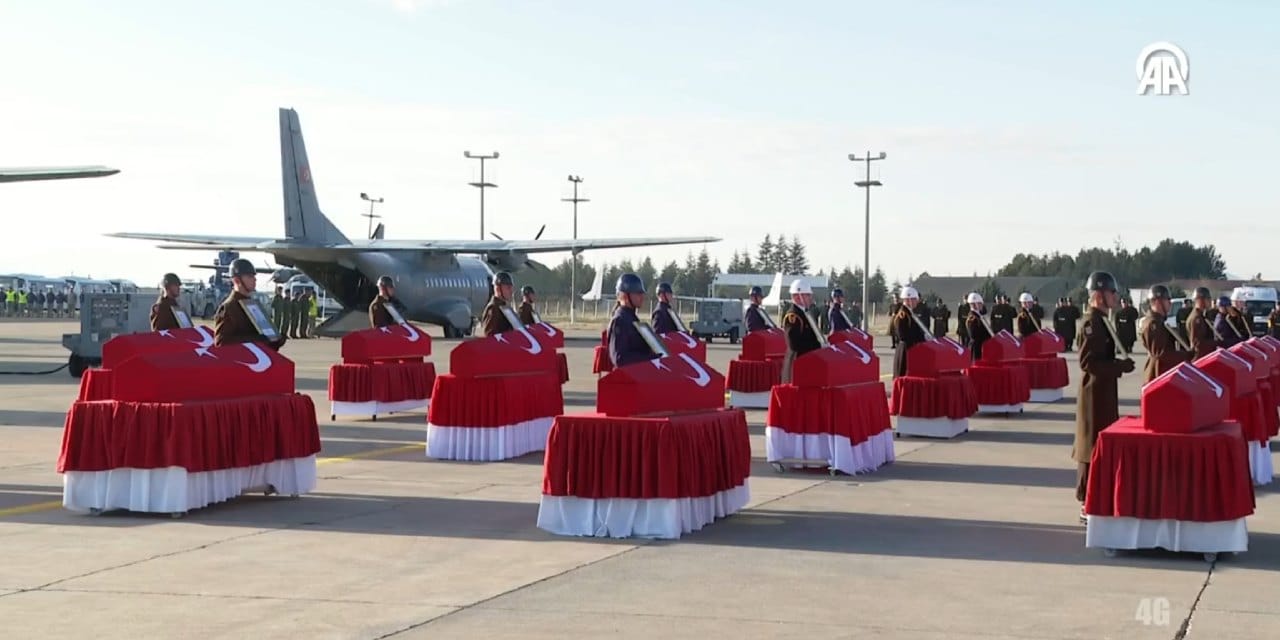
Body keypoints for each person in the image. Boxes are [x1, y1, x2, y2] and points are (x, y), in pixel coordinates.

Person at [1072, 271, 1135, 522]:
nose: (1115, 297)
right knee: (1090, 447)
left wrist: (1118, 365)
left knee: (1099, 444)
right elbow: (1088, 363)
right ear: (1099, 295)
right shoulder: (1091, 324)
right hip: (1093, 394)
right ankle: (1086, 502)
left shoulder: (1102, 320)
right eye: (1111, 293)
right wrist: (1119, 367)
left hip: (1104, 391)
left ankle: (1096, 497)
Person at [213, 258, 285, 349]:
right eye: (249, 276)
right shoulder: (229, 308)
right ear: (237, 281)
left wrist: (275, 342)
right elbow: (221, 342)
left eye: (254, 276)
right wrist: (255, 340)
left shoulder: (253, 305)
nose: (255, 279)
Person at [1141, 285, 1193, 383]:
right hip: (1157, 374)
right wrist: (1184, 355)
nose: (1170, 303)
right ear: (1157, 301)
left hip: (1162, 373)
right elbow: (1161, 354)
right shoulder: (1153, 324)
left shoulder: (1158, 321)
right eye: (1167, 299)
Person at [608, 273, 660, 367]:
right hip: (627, 379)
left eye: (642, 293)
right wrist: (652, 358)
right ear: (625, 296)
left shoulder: (631, 318)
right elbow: (619, 358)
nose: (642, 297)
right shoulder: (619, 321)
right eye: (637, 293)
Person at [781, 279, 822, 383]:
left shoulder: (805, 313)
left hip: (809, 360)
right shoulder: (793, 316)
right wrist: (815, 346)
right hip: (799, 361)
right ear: (797, 296)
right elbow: (793, 344)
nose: (810, 298)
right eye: (807, 295)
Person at [892, 286, 929, 378]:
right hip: (906, 351)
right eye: (915, 299)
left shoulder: (910, 313)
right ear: (909, 300)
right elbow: (903, 335)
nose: (917, 301)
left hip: (911, 350)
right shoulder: (903, 315)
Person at [481, 271, 517, 336]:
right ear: (498, 289)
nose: (511, 291)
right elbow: (490, 337)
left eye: (511, 288)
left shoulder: (503, 307)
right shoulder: (493, 308)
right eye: (508, 288)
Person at [1186, 287, 1219, 358]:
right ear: (1200, 300)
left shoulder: (1201, 315)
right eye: (1208, 299)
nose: (1210, 301)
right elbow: (1198, 344)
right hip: (1200, 358)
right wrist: (1216, 343)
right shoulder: (1196, 318)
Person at [964, 293, 993, 360]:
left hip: (980, 347)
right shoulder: (972, 318)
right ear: (974, 304)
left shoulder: (979, 316)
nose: (981, 305)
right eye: (979, 303)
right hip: (976, 349)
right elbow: (973, 335)